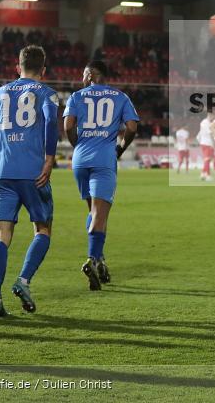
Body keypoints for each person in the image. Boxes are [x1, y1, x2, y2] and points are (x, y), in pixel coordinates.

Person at [0, 45, 59, 317]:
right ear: (43, 70)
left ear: (17, 66)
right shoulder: (47, 93)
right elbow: (51, 123)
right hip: (35, 174)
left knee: (1, 235)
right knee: (43, 229)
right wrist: (49, 159)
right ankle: (23, 280)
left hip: (3, 174)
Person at [63, 60, 139, 291]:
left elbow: (68, 126)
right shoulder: (120, 97)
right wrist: (120, 149)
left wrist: (78, 146)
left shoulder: (76, 97)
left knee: (93, 211)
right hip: (104, 160)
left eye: (83, 74)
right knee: (99, 213)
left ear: (90, 75)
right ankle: (92, 260)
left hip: (80, 160)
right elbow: (132, 127)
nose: (81, 78)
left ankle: (101, 260)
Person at [198, 111, 215, 181]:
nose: (214, 118)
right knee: (207, 159)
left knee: (208, 159)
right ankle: (207, 175)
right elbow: (210, 134)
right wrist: (214, 143)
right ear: (211, 115)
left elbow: (200, 133)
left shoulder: (203, 122)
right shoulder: (207, 123)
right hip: (207, 143)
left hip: (203, 142)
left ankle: (203, 173)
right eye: (214, 116)